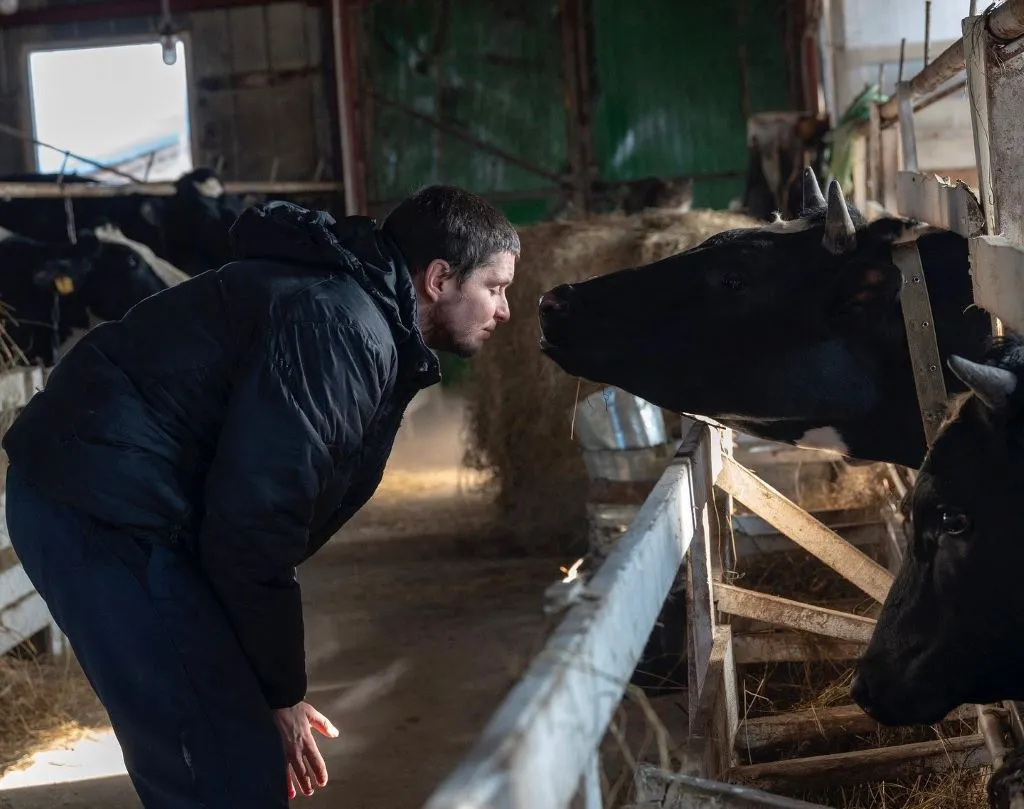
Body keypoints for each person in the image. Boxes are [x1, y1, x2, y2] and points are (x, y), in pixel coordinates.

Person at [1, 185, 518, 809]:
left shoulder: (360, 320)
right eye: (495, 287)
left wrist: (269, 689)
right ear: (439, 278)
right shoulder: (343, 327)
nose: (505, 309)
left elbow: (251, 517)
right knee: (224, 767)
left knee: (234, 747)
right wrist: (279, 691)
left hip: (120, 494)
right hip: (99, 501)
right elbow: (257, 518)